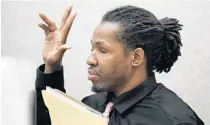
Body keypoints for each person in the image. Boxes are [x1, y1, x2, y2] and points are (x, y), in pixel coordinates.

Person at [36, 4, 204, 125]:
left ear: (136, 57)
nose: (90, 59)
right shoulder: (91, 106)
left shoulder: (172, 120)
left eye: (102, 50)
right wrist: (52, 66)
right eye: (92, 48)